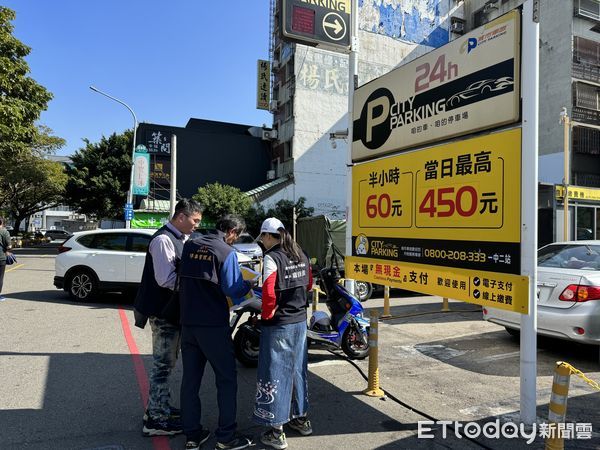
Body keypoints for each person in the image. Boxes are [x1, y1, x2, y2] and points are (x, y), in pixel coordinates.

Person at [178, 214, 254, 450]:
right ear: (231, 231)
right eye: (237, 236)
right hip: (212, 325)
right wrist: (249, 284)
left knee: (190, 381)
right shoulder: (226, 252)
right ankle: (226, 437)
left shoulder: (190, 245)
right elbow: (232, 288)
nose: (235, 240)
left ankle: (192, 435)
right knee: (226, 379)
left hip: (188, 323)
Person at [134, 198, 204, 436]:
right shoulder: (164, 240)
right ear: (181, 217)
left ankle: (158, 407)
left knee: (167, 363)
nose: (196, 226)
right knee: (162, 366)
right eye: (194, 220)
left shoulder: (181, 239)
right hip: (164, 312)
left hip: (171, 311)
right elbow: (166, 279)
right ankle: (155, 420)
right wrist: (197, 289)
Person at [254, 217, 313, 450]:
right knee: (298, 369)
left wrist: (266, 315)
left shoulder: (272, 257)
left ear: (270, 236)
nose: (262, 242)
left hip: (279, 324)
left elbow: (268, 292)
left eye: (262, 237)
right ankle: (301, 419)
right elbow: (308, 284)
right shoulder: (301, 253)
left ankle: (276, 430)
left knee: (275, 372)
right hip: (300, 322)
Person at [0, 217, 13, 302]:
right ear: (2, 223)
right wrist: (8, 250)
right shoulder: (4, 232)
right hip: (1, 257)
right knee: (0, 277)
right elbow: (9, 246)